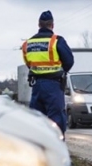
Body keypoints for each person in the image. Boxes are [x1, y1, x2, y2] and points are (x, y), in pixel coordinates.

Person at [22, 10, 74, 138]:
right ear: (52, 25)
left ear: (39, 25)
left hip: (36, 86)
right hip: (53, 86)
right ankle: (57, 150)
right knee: (56, 119)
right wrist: (59, 71)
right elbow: (69, 61)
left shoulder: (28, 43)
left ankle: (39, 149)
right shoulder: (57, 41)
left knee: (37, 120)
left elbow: (28, 63)